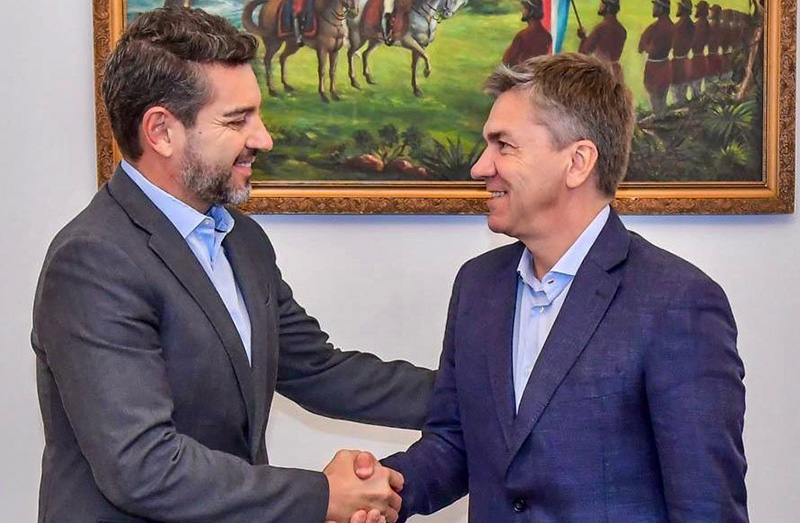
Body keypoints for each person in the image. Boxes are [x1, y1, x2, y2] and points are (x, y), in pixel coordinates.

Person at [31, 7, 434, 523]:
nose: (263, 138)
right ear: (161, 131)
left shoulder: (240, 238)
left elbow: (318, 370)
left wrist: (483, 391)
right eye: (237, 120)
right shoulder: (93, 260)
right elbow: (143, 467)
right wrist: (321, 496)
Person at [378, 53, 749, 521]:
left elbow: (706, 506)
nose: (479, 167)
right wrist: (385, 489)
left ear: (577, 162)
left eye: (503, 145)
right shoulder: (477, 285)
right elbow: (456, 443)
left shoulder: (678, 302)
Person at [577, 0, 627, 81]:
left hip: (600, 72)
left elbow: (584, 51)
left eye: (602, 4)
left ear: (608, 8)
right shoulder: (622, 30)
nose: (600, 6)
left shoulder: (601, 28)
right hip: (616, 74)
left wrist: (583, 38)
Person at [639, 0, 674, 114]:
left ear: (661, 9)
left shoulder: (654, 28)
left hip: (653, 69)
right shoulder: (672, 26)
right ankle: (661, 117)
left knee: (655, 100)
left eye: (655, 6)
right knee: (662, 100)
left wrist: (646, 46)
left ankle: (658, 119)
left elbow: (642, 48)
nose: (653, 9)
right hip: (666, 66)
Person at [503, 0, 552, 67]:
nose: (522, 11)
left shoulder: (522, 36)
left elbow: (506, 60)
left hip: (522, 72)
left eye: (525, 8)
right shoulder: (547, 36)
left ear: (531, 11)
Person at [670, 0, 695, 104]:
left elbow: (674, 43)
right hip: (685, 61)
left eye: (679, 7)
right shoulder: (691, 25)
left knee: (677, 94)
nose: (678, 8)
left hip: (678, 63)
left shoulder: (680, 26)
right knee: (682, 92)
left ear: (683, 9)